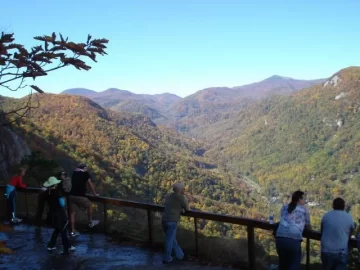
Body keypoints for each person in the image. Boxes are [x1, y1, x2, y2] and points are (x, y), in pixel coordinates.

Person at [275, 190, 311, 270]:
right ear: (299, 200)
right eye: (303, 199)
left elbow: (283, 218)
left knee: (283, 265)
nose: (305, 201)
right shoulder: (304, 210)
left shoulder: (284, 206)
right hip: (293, 240)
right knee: (294, 265)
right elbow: (308, 227)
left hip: (280, 237)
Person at [43, 176, 75, 254]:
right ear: (55, 185)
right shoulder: (57, 193)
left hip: (52, 213)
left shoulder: (47, 193)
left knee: (57, 229)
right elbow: (62, 204)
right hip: (60, 214)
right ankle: (67, 246)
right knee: (63, 230)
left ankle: (51, 245)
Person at [321, 197, 354, 270]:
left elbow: (322, 230)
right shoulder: (349, 217)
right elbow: (351, 232)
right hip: (341, 250)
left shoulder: (326, 216)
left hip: (326, 250)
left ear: (333, 205)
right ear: (343, 206)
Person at [161, 182, 190, 264]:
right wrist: (187, 201)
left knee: (172, 240)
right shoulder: (182, 197)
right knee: (169, 240)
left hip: (164, 220)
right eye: (183, 189)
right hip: (172, 221)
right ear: (180, 190)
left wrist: (179, 209)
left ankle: (180, 255)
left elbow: (172, 206)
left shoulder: (170, 196)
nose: (184, 190)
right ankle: (167, 258)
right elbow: (187, 209)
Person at [68, 164, 99, 237]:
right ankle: (90, 221)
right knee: (90, 205)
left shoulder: (74, 173)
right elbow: (90, 184)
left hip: (71, 196)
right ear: (84, 168)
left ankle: (72, 231)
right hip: (79, 196)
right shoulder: (85, 174)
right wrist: (94, 194)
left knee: (72, 213)